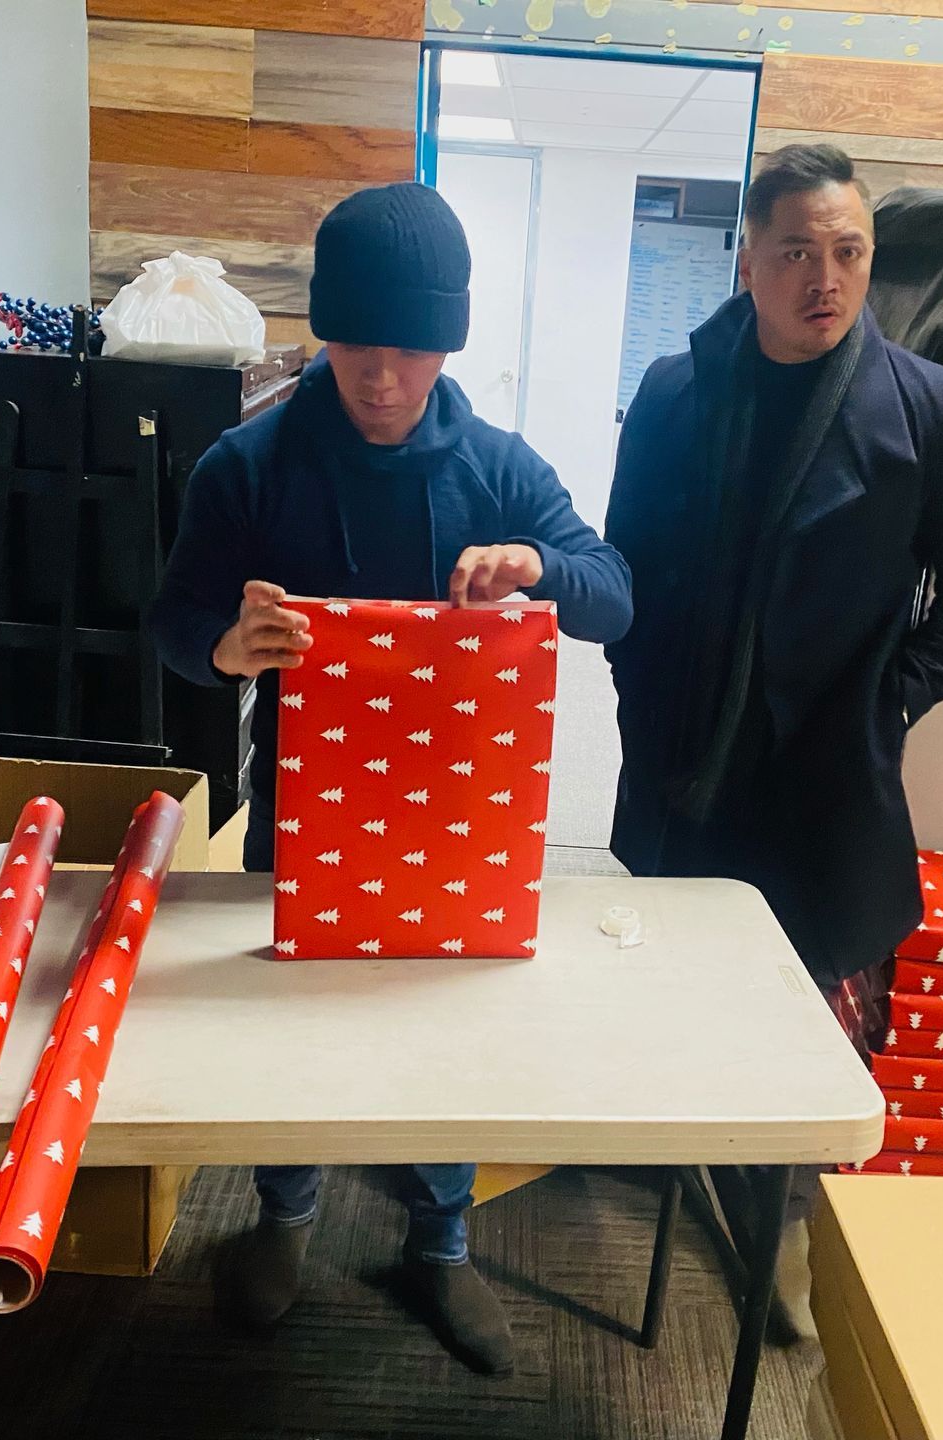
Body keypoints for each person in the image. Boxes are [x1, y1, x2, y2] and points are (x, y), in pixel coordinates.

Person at [149, 182, 632, 1376]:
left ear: (449, 343)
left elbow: (617, 593)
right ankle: (283, 1215)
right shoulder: (249, 464)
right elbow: (169, 622)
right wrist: (227, 647)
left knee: (447, 1024)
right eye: (359, 344)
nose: (381, 376)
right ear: (325, 331)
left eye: (412, 349)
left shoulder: (499, 468)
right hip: (305, 808)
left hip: (464, 813)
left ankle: (443, 1240)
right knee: (292, 1018)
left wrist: (538, 565)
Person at [604, 145, 943, 1332]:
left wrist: (895, 699)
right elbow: (625, 560)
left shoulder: (930, 407)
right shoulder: (677, 391)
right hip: (688, 754)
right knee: (680, 972)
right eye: (796, 252)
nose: (824, 279)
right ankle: (675, 1148)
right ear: (748, 262)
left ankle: (782, 1209)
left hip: (828, 768)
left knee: (813, 996)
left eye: (848, 252)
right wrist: (639, 684)